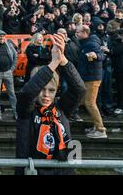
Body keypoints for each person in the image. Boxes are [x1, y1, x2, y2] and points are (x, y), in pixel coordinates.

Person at [16, 34, 85, 175]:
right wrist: (53, 63)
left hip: (62, 170)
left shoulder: (62, 108)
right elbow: (27, 94)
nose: (46, 95)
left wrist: (63, 60)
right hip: (34, 171)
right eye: (41, 90)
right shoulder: (26, 110)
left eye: (51, 90)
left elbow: (79, 90)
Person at [75, 25, 107, 138]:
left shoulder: (91, 44)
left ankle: (101, 130)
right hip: (88, 77)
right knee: (86, 102)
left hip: (92, 78)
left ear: (85, 32)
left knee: (90, 103)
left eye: (78, 32)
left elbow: (102, 56)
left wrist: (96, 55)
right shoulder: (86, 42)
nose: (76, 34)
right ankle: (96, 126)